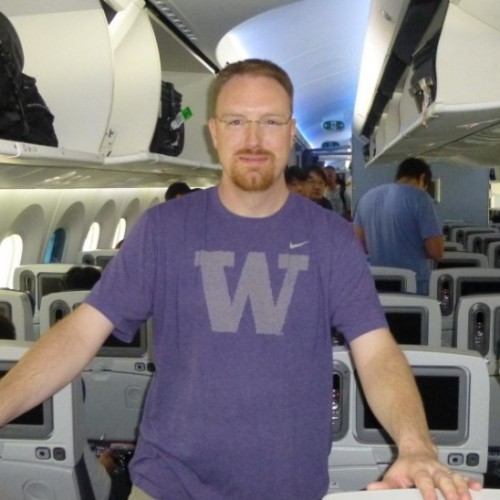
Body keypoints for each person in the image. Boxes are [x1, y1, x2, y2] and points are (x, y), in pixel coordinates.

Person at [0, 59, 478, 500]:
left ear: (291, 132)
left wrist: (416, 446)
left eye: (270, 121)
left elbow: (376, 352)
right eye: (236, 121)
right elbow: (81, 333)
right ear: (214, 132)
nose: (253, 138)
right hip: (167, 486)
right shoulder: (164, 229)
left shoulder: (329, 238)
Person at [353, 157, 444, 295]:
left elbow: (357, 245)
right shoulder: (420, 198)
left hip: (376, 285)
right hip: (413, 286)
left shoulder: (366, 198)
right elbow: (436, 252)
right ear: (422, 177)